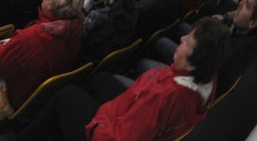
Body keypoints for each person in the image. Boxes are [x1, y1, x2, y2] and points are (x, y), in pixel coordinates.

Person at [14, 17, 230, 141]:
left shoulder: (164, 97)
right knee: (100, 79)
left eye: (187, 42)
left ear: (194, 61)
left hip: (110, 130)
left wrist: (101, 118)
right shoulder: (209, 76)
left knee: (66, 95)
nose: (181, 39)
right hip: (130, 111)